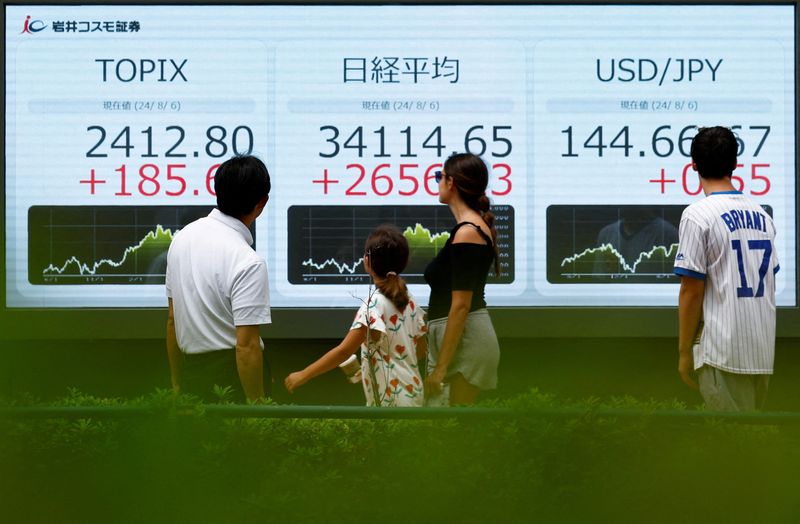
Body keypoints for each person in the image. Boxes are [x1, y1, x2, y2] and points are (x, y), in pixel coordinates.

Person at [674, 126, 779, 411]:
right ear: (735, 164)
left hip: (722, 352)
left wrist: (684, 352)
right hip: (761, 353)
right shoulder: (763, 215)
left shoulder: (697, 215)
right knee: (752, 446)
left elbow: (691, 291)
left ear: (693, 165)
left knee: (730, 447)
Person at [165, 155, 272, 403]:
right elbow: (246, 348)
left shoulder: (181, 239)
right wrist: (258, 410)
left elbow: (172, 321)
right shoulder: (248, 261)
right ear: (261, 202)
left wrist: (177, 383)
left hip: (191, 374)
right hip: (233, 379)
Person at [284, 224, 428, 407]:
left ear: (367, 261)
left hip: (391, 402)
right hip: (414, 393)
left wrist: (303, 375)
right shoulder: (409, 300)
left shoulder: (373, 305)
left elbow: (343, 351)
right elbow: (420, 350)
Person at [424, 153, 501, 406]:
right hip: (458, 340)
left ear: (451, 183)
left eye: (439, 177)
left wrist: (441, 368)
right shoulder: (469, 229)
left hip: (466, 343)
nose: (438, 182)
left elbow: (460, 305)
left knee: (456, 429)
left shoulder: (468, 232)